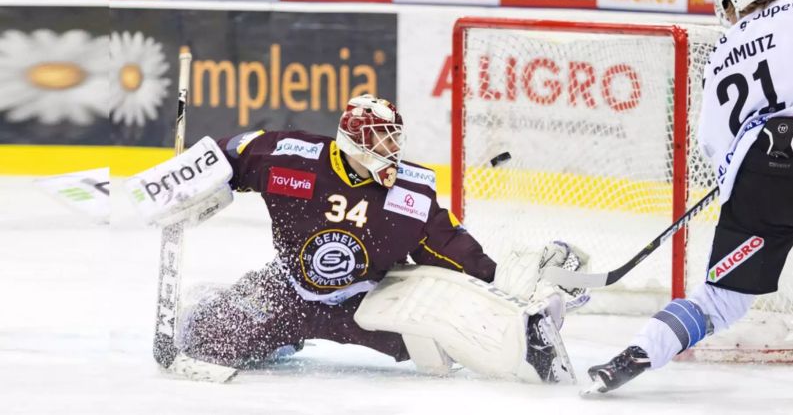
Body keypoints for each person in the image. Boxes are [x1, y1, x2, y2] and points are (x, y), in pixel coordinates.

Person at [584, 0, 793, 395]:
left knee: (720, 300)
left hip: (752, 189)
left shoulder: (717, 57)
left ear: (730, 5)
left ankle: (633, 356)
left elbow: (714, 144)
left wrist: (755, 184)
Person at [126, 94, 584, 383]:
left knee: (440, 351)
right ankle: (258, 320)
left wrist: (506, 289)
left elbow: (453, 249)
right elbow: (230, 155)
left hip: (367, 303)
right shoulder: (292, 158)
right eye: (383, 142)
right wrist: (184, 183)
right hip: (288, 291)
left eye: (395, 141)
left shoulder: (410, 191)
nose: (393, 152)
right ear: (354, 141)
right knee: (204, 339)